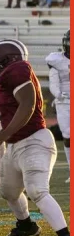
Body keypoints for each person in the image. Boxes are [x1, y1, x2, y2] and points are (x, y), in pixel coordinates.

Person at [0, 40, 70, 236]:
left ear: (7, 58)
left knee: (36, 190)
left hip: (34, 141)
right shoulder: (7, 77)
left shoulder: (17, 68)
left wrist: (5, 132)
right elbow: (4, 99)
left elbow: (27, 103)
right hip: (15, 146)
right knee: (8, 191)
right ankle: (26, 224)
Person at [46, 31, 70, 183]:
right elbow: (54, 83)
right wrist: (59, 95)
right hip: (65, 102)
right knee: (68, 136)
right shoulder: (57, 61)